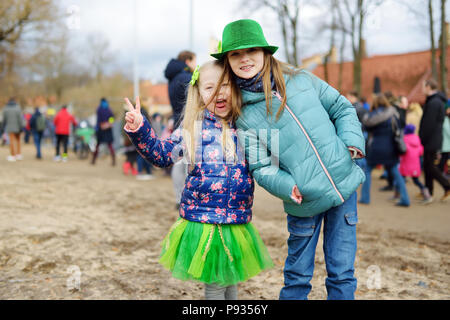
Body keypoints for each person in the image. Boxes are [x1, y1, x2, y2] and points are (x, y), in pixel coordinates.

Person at [212, 19, 365, 300]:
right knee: (297, 277)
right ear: (228, 62)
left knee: (342, 273)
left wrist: (351, 142)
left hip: (344, 187)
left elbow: (342, 107)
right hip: (303, 200)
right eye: (236, 54)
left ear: (265, 53)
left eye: (252, 51)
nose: (245, 59)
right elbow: (261, 167)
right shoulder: (244, 116)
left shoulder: (301, 79)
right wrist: (287, 185)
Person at [123, 61, 273, 300]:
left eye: (225, 85)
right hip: (205, 221)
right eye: (210, 87)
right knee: (215, 283)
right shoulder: (193, 128)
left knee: (231, 279)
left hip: (236, 220)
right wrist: (140, 128)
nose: (218, 92)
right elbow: (162, 155)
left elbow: (267, 162)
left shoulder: (245, 126)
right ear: (200, 94)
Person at [359, 93, 410, 207]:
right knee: (396, 173)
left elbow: (366, 126)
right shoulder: (393, 115)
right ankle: (405, 199)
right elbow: (399, 128)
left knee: (367, 171)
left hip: (376, 147)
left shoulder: (372, 116)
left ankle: (365, 198)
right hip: (390, 148)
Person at [164, 50, 197, 209]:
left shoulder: (172, 79)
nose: (195, 64)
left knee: (179, 161)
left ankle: (179, 197)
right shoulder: (186, 78)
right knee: (187, 162)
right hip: (188, 122)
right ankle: (185, 197)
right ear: (188, 60)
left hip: (177, 121)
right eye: (194, 61)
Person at [419, 79, 450, 201]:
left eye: (423, 87)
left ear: (428, 87)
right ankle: (428, 191)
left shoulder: (434, 102)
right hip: (433, 138)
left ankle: (446, 185)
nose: (422, 90)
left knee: (430, 166)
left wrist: (422, 138)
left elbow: (428, 124)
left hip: (431, 139)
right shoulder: (435, 101)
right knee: (427, 166)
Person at [399, 124, 431, 203]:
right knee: (416, 180)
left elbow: (402, 151)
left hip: (405, 164)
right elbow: (420, 152)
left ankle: (397, 194)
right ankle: (427, 194)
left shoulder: (404, 139)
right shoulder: (417, 139)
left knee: (400, 179)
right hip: (415, 165)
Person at [92, 98, 116, 166]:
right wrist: (109, 123)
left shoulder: (100, 109)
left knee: (99, 145)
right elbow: (112, 118)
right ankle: (94, 160)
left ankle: (93, 160)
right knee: (108, 145)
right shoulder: (108, 109)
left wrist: (107, 124)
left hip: (103, 129)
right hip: (104, 129)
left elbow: (99, 120)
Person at [438, 101, 450, 177]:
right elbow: (448, 131)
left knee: (445, 159)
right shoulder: (445, 119)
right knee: (444, 159)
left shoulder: (446, 118)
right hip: (446, 144)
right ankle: (440, 172)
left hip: (446, 144)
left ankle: (442, 172)